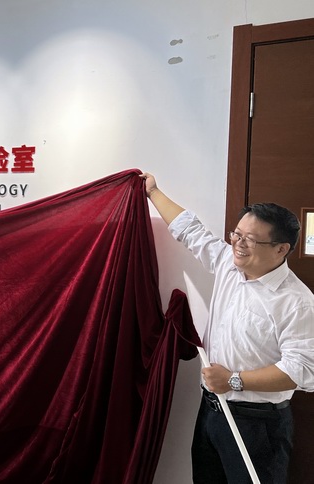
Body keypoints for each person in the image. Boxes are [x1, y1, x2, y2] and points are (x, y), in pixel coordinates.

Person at [141, 172, 314, 484]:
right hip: (212, 410)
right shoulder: (228, 264)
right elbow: (190, 230)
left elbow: (303, 370)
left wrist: (234, 379)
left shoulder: (297, 302)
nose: (238, 244)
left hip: (258, 424)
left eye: (250, 240)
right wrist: (153, 191)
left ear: (280, 249)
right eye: (237, 234)